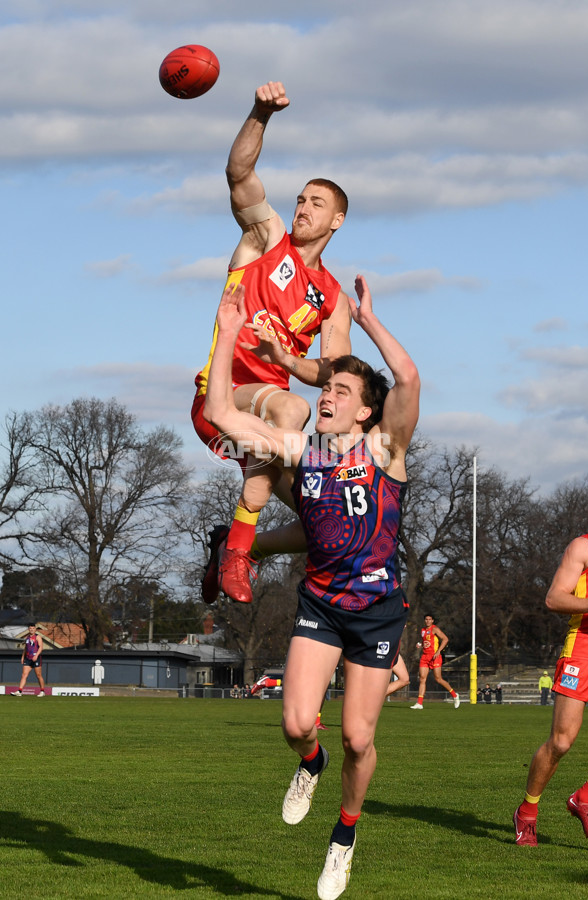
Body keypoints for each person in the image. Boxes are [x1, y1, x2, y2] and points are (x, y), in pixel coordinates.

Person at [203, 272, 420, 900]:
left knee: (359, 736)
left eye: (341, 389)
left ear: (365, 408)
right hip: (322, 606)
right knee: (299, 725)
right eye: (325, 386)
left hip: (377, 612)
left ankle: (345, 837)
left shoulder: (386, 450)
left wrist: (371, 320)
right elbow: (220, 413)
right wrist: (229, 331)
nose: (326, 394)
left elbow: (407, 379)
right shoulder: (303, 451)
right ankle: (310, 765)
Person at [193, 80, 352, 605]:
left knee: (322, 523)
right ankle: (238, 550)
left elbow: (331, 374)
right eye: (301, 198)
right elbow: (239, 173)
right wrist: (260, 112)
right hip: (220, 399)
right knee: (289, 408)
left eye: (317, 202)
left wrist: (282, 356)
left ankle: (238, 547)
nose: (303, 207)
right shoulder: (266, 238)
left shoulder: (331, 297)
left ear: (337, 220)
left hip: (265, 423)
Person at [514, 478, 588, 848]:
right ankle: (527, 811)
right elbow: (554, 598)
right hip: (584, 647)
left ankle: (587, 798)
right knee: (562, 742)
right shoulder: (584, 546)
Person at [410, 614, 460, 709]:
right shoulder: (423, 630)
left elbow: (445, 639)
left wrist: (438, 651)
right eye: (426, 619)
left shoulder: (435, 629)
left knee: (438, 679)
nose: (428, 621)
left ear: (432, 621)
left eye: (430, 619)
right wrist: (420, 644)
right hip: (425, 657)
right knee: (422, 679)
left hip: (435, 657)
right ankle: (419, 703)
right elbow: (424, 640)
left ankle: (455, 695)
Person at [11, 623, 46, 697]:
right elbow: (26, 648)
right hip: (28, 658)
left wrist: (36, 655)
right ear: (28, 629)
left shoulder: (37, 637)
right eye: (30, 628)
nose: (32, 630)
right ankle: (19, 691)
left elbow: (41, 647)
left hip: (36, 658)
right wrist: (23, 657)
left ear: (35, 629)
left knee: (39, 675)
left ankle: (42, 691)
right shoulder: (27, 638)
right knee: (24, 675)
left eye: (33, 628)